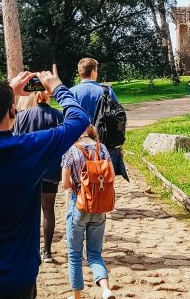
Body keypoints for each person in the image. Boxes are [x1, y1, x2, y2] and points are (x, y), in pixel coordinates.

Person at [0, 67, 89, 299]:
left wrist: (7, 91)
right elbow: (79, 119)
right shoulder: (30, 147)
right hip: (16, 275)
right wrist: (57, 88)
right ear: (13, 110)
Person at [61, 125, 117, 299]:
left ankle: (77, 296)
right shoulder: (102, 148)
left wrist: (79, 184)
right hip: (99, 206)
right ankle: (106, 290)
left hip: (78, 205)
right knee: (95, 253)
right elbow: (112, 176)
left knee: (75, 254)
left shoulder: (71, 150)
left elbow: (65, 184)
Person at [13, 90, 65, 263]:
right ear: (49, 96)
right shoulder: (58, 116)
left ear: (34, 95)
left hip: (27, 170)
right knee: (48, 211)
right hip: (50, 169)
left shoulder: (22, 116)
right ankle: (47, 251)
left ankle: (29, 248)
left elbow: (16, 142)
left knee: (27, 211)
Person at [70, 58, 129, 181]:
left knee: (80, 177)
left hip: (78, 141)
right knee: (106, 177)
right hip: (104, 141)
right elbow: (117, 116)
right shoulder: (106, 91)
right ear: (93, 72)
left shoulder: (71, 92)